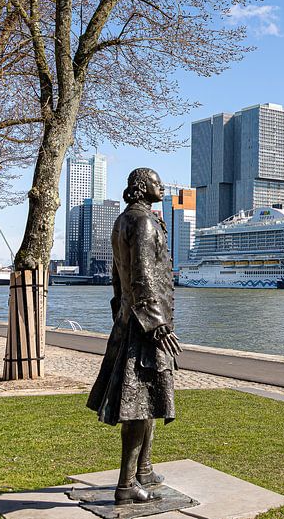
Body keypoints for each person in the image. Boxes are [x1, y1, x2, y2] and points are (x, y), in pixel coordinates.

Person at [87, 167, 182, 504]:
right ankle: (126, 485)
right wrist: (156, 325)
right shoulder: (142, 223)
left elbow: (117, 276)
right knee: (138, 404)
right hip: (147, 327)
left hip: (131, 319)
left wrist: (121, 312)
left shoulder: (121, 222)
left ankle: (144, 469)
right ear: (142, 188)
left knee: (150, 397)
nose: (163, 188)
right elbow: (141, 274)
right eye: (158, 183)